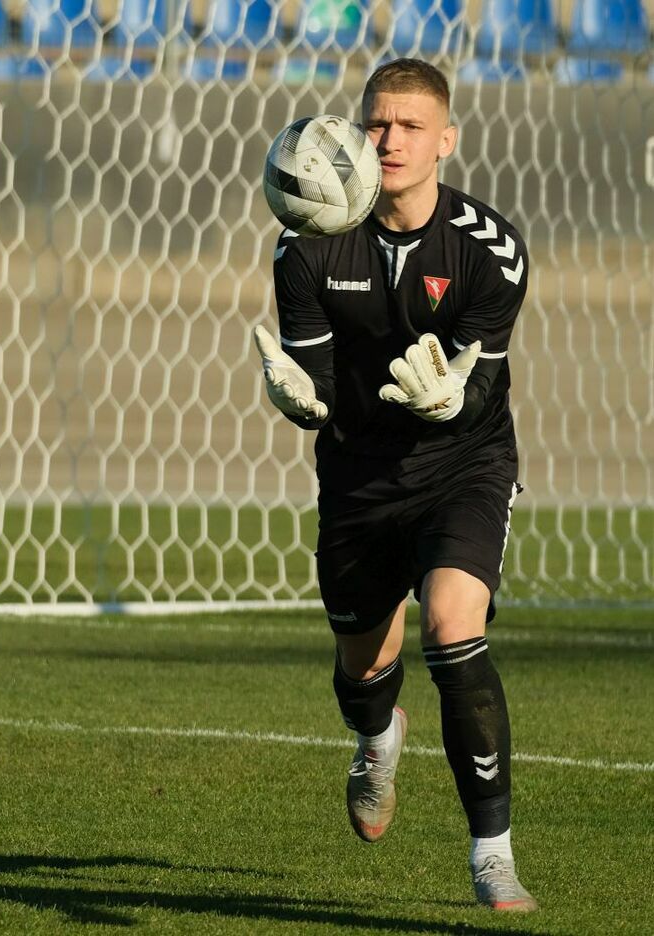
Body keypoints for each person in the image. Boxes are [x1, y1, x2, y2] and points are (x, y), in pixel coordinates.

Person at [253, 58, 537, 912]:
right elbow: (316, 380)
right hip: (359, 480)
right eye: (378, 123)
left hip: (465, 466)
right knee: (362, 668)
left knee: (455, 630)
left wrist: (455, 395)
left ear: (446, 140)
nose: (392, 139)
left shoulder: (492, 249)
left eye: (412, 126)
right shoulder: (306, 240)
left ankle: (492, 854)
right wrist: (300, 401)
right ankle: (377, 738)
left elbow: (483, 373)